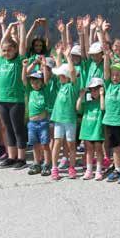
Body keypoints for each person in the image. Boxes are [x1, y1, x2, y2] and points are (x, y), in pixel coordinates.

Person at [0, 12, 29, 168]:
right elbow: (2, 42)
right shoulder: (1, 61)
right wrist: (8, 27)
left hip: (16, 100)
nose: (6, 53)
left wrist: (22, 25)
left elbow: (22, 44)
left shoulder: (18, 61)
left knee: (18, 129)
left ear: (15, 51)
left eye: (9, 50)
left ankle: (21, 159)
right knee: (8, 129)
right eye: (4, 51)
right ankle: (11, 156)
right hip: (2, 100)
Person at [102, 47, 120, 184]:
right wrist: (106, 57)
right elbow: (106, 72)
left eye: (117, 75)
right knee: (114, 147)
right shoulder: (108, 85)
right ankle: (117, 169)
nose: (115, 77)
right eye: (113, 74)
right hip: (110, 121)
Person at [49, 45, 79, 180]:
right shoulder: (61, 85)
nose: (58, 77)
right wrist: (59, 55)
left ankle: (71, 167)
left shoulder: (72, 86)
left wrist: (68, 57)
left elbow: (71, 71)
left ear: (66, 77)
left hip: (70, 120)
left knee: (71, 144)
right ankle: (54, 168)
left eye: (61, 75)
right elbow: (61, 67)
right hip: (59, 119)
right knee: (57, 142)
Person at [23, 56, 54, 176]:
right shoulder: (29, 91)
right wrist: (26, 66)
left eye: (37, 82)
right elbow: (24, 78)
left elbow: (46, 79)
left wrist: (44, 65)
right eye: (33, 82)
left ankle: (47, 164)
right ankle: (36, 163)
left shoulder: (44, 91)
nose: (35, 84)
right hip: (32, 123)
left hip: (43, 122)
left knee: (45, 144)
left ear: (41, 82)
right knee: (35, 144)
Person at [77, 77, 106, 180]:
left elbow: (102, 108)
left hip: (97, 131)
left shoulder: (102, 102)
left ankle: (98, 171)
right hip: (87, 131)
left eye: (96, 89)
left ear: (101, 89)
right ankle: (89, 171)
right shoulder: (87, 103)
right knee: (89, 151)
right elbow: (78, 108)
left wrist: (102, 95)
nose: (93, 92)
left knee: (98, 150)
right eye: (91, 90)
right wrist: (81, 96)